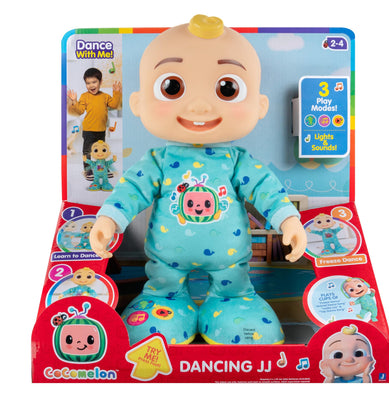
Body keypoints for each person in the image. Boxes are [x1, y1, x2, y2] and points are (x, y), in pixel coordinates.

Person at [90, 15, 307, 345]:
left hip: (231, 266)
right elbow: (131, 189)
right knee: (158, 303)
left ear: (260, 105)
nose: (201, 106)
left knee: (240, 307)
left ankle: (234, 303)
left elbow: (266, 188)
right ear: (137, 103)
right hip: (165, 267)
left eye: (227, 89)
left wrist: (289, 220)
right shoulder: (158, 162)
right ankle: (164, 302)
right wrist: (108, 220)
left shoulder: (237, 161)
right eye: (172, 87)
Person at [67, 68, 121, 180]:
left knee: (101, 150)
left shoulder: (105, 96)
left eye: (94, 82)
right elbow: (79, 111)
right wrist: (74, 101)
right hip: (88, 130)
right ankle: (88, 170)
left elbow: (115, 105)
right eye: (88, 83)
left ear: (100, 82)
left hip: (101, 130)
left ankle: (102, 168)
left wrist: (116, 93)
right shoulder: (84, 96)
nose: (91, 85)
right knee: (88, 151)